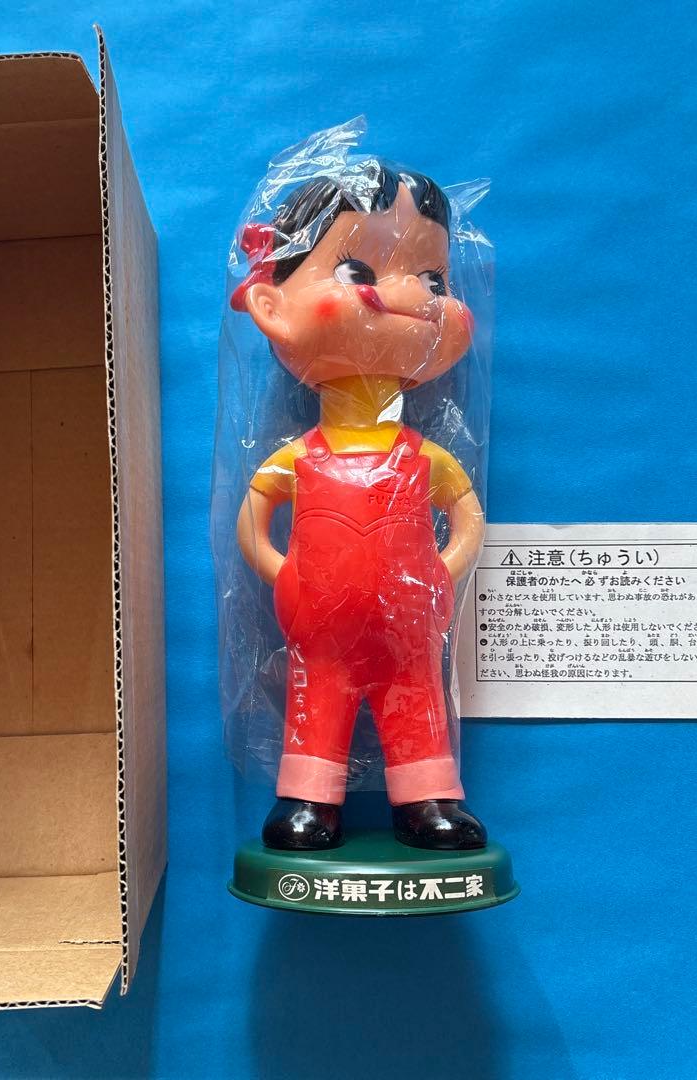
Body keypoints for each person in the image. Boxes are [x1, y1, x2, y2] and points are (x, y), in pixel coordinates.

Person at [234, 161, 488, 851]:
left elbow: (468, 518)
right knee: (317, 698)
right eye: (358, 271)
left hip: (410, 623)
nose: (411, 294)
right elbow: (253, 522)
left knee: (418, 698)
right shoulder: (298, 458)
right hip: (320, 626)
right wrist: (285, 574)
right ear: (271, 307)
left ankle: (428, 799)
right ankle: (309, 800)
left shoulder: (424, 458)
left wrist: (439, 574)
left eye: (434, 280)